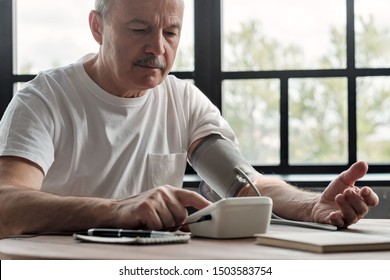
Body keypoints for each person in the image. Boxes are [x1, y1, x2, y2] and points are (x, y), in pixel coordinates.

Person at [0, 0, 379, 237]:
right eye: (139, 29)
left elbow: (246, 185)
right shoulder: (43, 100)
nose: (157, 48)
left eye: (171, 32)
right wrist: (116, 210)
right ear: (98, 28)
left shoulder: (182, 100)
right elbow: (6, 204)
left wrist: (310, 207)